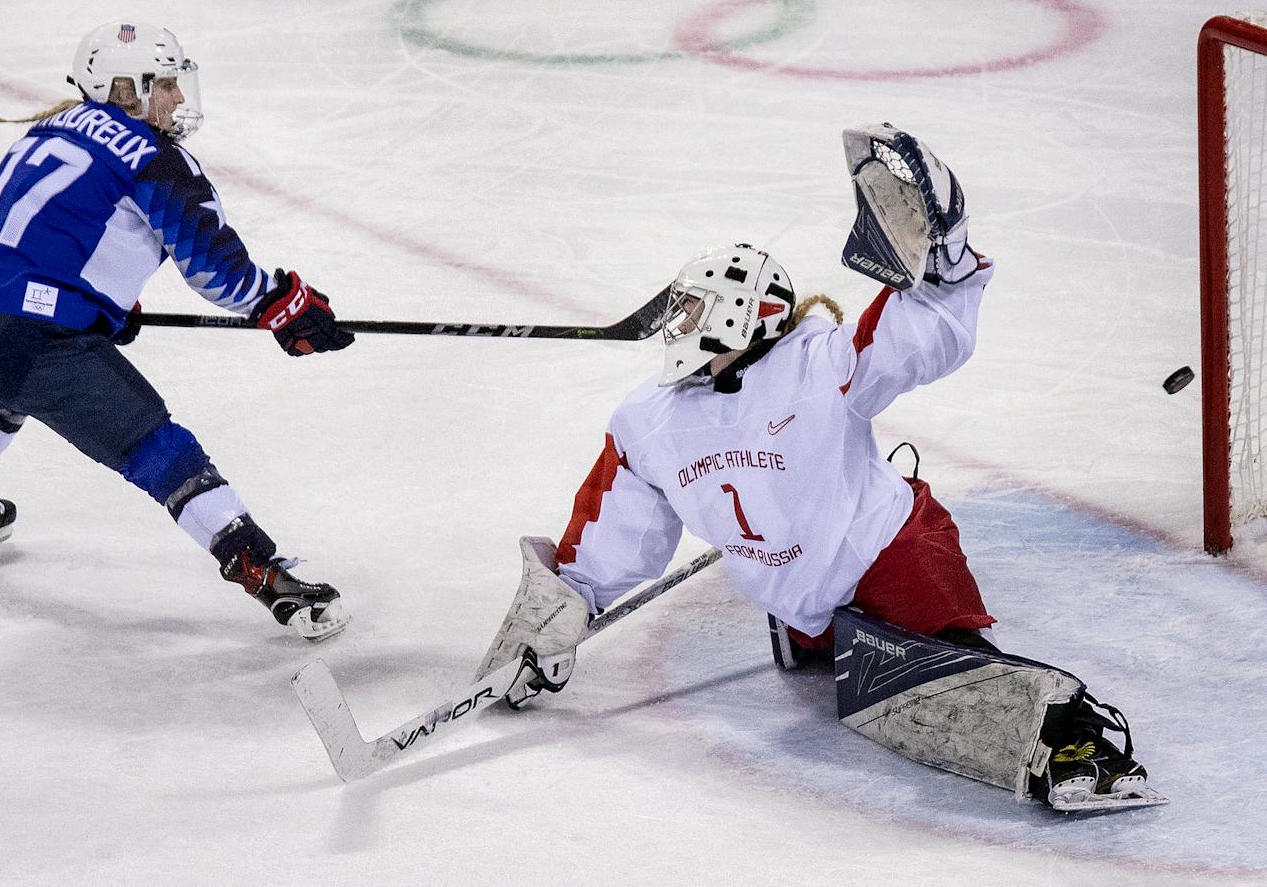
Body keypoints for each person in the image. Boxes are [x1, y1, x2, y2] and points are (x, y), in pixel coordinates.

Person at [475, 124, 1162, 811]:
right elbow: (608, 531)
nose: (676, 326)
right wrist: (554, 617)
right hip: (803, 597)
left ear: (748, 314)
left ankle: (1074, 737)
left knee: (938, 683)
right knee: (862, 672)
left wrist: (944, 260)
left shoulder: (821, 363)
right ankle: (817, 624)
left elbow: (919, 333)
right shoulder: (649, 419)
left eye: (693, 310)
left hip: (892, 553)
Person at [0, 21, 354, 641]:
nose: (177, 100)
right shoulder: (152, 156)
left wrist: (101, 306)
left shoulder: (51, 128)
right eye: (165, 86)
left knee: (9, 374)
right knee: (158, 445)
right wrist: (281, 304)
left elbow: (36, 244)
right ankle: (262, 569)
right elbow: (213, 268)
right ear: (125, 88)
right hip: (22, 340)